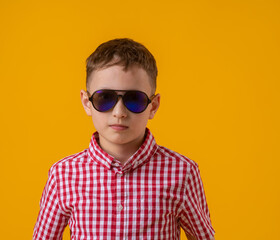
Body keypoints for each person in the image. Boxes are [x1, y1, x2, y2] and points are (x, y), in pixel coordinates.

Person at [32, 38, 215, 240]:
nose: (119, 113)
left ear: (153, 106)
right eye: (105, 98)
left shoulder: (182, 172)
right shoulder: (63, 175)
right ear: (87, 102)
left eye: (134, 99)